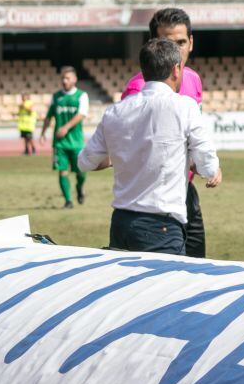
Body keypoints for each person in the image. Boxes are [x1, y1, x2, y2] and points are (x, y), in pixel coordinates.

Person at [79, 38, 221, 255]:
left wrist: (124, 156)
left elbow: (85, 162)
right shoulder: (184, 107)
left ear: (143, 71)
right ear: (176, 70)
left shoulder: (115, 111)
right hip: (160, 226)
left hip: (121, 223)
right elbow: (208, 165)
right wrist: (211, 170)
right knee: (168, 288)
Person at [121, 8, 209, 257]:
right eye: (168, 43)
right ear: (153, 46)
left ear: (191, 43)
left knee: (195, 271)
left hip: (185, 192)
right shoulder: (138, 89)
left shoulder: (193, 79)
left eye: (181, 42)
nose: (176, 50)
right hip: (152, 200)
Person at [40, 66, 89, 209]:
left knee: (81, 172)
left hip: (76, 142)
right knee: (62, 170)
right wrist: (43, 133)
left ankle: (80, 188)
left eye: (67, 78)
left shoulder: (81, 95)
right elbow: (49, 117)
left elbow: (81, 115)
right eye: (63, 78)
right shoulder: (56, 97)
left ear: (75, 79)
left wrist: (66, 127)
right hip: (59, 143)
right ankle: (68, 201)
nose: (64, 81)